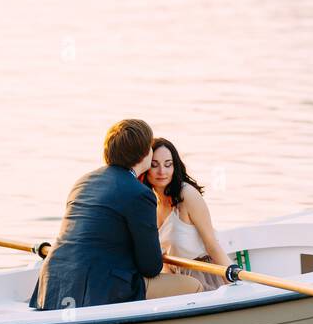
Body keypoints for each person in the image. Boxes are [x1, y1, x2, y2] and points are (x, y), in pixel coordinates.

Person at [29, 119, 200, 311]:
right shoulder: (139, 194)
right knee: (194, 287)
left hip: (53, 281)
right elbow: (150, 267)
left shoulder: (83, 181)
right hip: (100, 288)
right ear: (145, 154)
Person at [145, 138, 233, 291]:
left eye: (168, 164)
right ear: (145, 167)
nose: (162, 171)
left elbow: (212, 244)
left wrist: (235, 283)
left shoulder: (187, 195)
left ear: (175, 166)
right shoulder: (150, 202)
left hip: (203, 276)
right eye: (154, 165)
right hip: (175, 279)